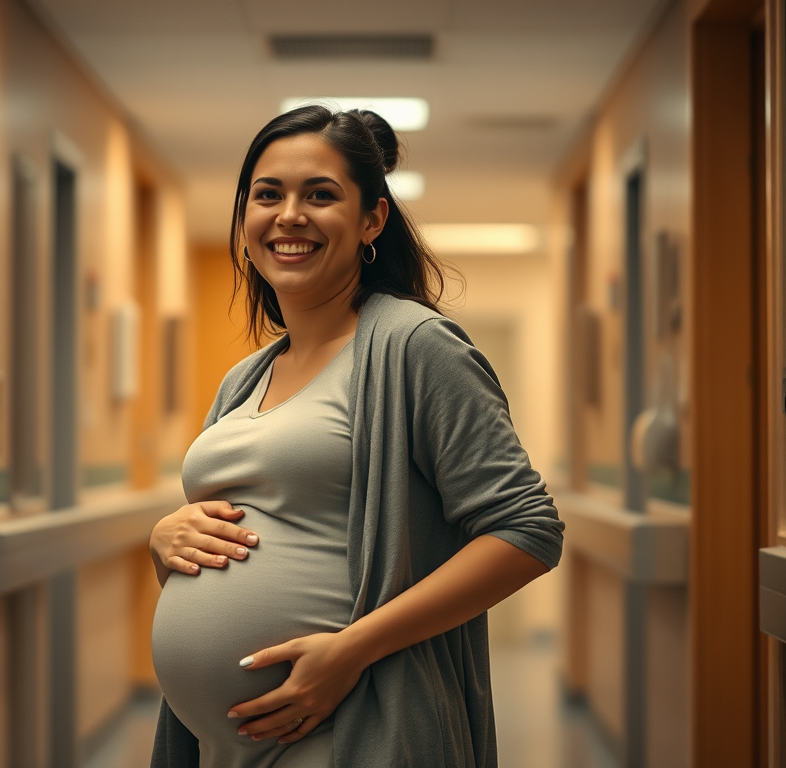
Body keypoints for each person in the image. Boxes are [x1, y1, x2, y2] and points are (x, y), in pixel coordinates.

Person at [148, 105, 564, 768]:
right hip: (227, 747)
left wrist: (352, 650)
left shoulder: (415, 347)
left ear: (372, 219)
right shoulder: (245, 379)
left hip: (353, 731)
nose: (289, 215)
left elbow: (528, 531)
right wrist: (165, 540)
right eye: (267, 195)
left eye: (320, 194)